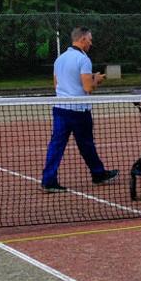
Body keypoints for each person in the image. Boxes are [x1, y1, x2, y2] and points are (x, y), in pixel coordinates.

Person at [40, 27, 118, 192]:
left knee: (57, 145)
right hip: (78, 111)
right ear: (82, 39)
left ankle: (50, 180)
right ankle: (98, 174)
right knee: (86, 144)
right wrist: (96, 79)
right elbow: (88, 87)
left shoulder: (59, 59)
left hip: (60, 108)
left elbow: (56, 85)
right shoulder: (84, 60)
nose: (91, 42)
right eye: (89, 39)